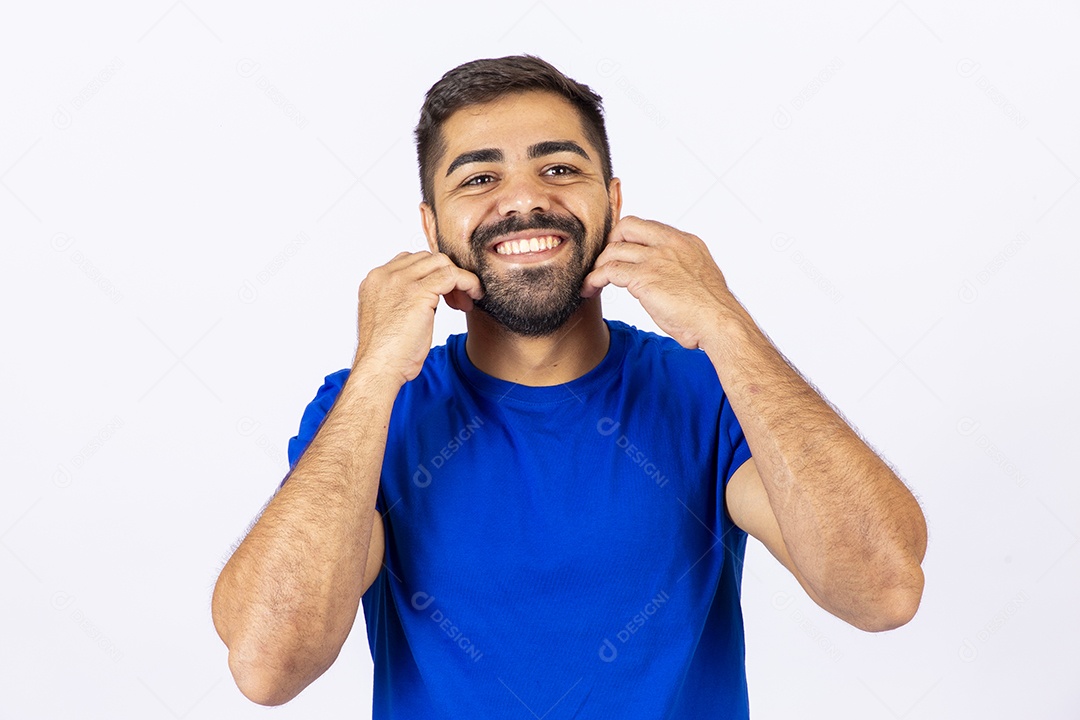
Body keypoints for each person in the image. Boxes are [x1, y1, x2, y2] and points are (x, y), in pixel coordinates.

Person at [211, 55, 927, 718]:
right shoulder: (370, 414)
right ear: (431, 229)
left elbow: (883, 590)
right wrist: (374, 373)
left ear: (613, 203)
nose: (524, 201)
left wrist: (726, 322)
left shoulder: (709, 390)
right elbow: (271, 666)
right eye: (479, 178)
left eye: (558, 168)